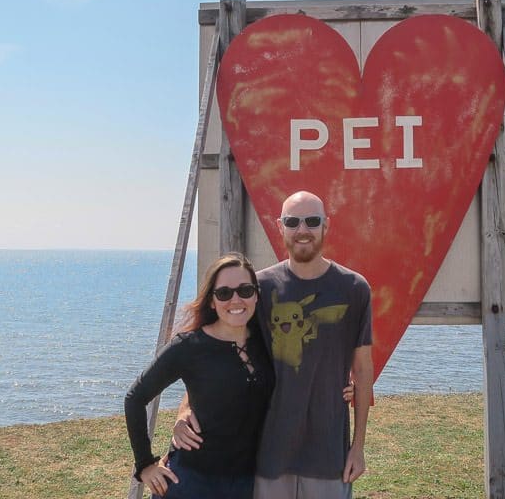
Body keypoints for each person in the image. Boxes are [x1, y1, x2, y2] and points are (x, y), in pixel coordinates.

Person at [173, 190, 374, 499]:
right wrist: (185, 410)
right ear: (280, 227)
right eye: (293, 221)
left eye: (312, 221)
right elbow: (220, 351)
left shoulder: (354, 289)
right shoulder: (258, 288)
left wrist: (358, 448)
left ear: (326, 225)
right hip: (266, 453)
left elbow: (362, 371)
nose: (302, 230)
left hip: (329, 455)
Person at [125, 252, 273, 499]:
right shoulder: (189, 346)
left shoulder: (267, 341)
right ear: (212, 301)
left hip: (248, 483)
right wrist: (145, 466)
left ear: (256, 295)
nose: (235, 299)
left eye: (245, 290)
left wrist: (347, 384)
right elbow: (135, 398)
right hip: (192, 482)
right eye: (224, 293)